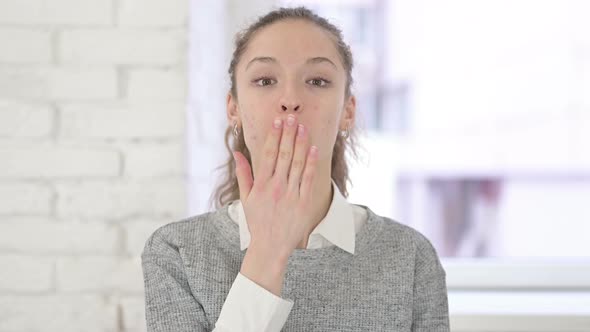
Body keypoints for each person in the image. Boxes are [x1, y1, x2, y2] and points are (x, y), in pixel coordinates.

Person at [141, 6, 450, 332]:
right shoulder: (175, 253)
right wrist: (266, 254)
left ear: (348, 111)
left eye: (317, 80)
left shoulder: (411, 258)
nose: (290, 99)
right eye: (265, 80)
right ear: (234, 109)